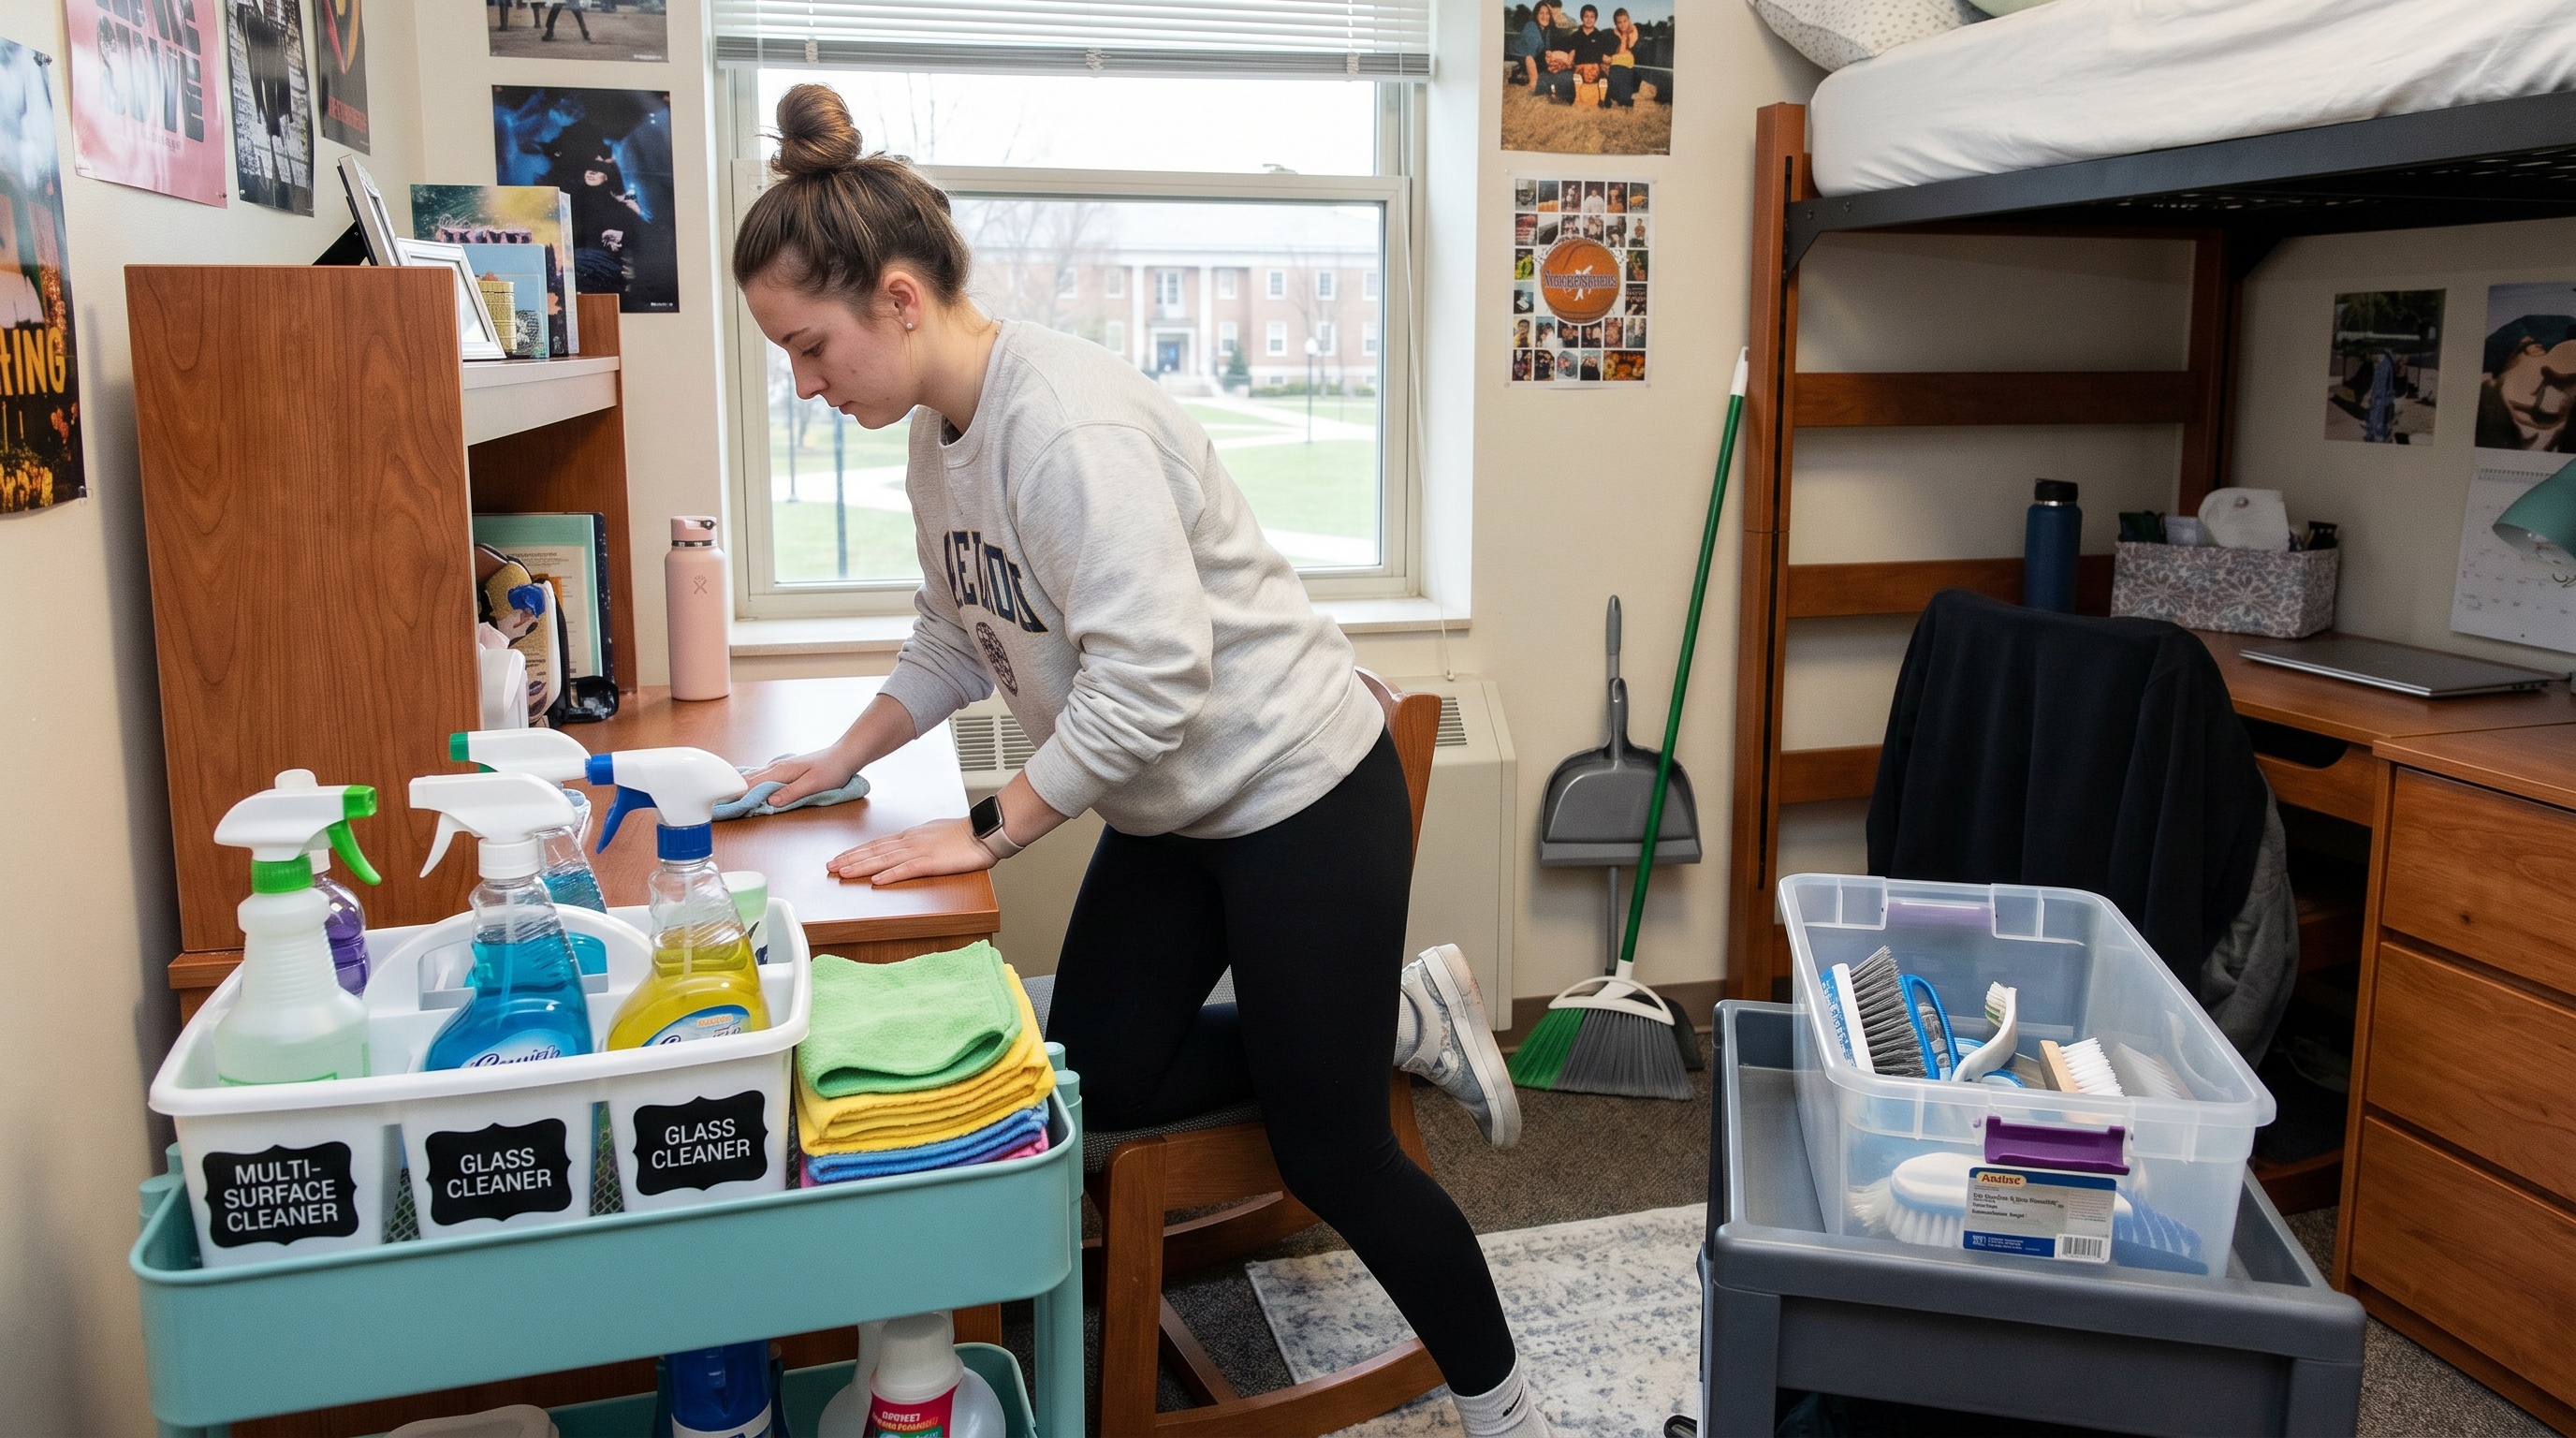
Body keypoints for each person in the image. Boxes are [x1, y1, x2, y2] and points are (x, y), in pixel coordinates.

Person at [730, 84, 1551, 1438]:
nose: (809, 390)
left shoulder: (1065, 431)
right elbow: (958, 626)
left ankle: (1507, 1401)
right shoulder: (944, 442)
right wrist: (841, 753)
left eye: (811, 350)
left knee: (1332, 1147)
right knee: (1089, 1076)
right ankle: (1393, 1023)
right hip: (1174, 812)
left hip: (1293, 789)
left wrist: (986, 829)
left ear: (896, 298)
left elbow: (1154, 683)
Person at [1521, 1, 1576, 103]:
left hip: (1538, 64)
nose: (1545, 16)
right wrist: (1533, 80)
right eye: (1541, 13)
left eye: (1547, 13)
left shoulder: (1546, 30)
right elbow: (1529, 57)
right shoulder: (1531, 26)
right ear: (1536, 14)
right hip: (1525, 65)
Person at [1568, 6, 1619, 103]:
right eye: (1586, 16)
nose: (1589, 19)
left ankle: (1603, 100)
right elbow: (1571, 55)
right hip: (1580, 69)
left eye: (1592, 16)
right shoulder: (1575, 36)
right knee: (1573, 79)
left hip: (1595, 70)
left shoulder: (1601, 36)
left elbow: (1606, 57)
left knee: (1605, 79)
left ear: (1595, 19)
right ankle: (1577, 97)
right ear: (1582, 18)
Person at [1604, 8, 1644, 108]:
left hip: (1630, 67)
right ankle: (1616, 97)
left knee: (1624, 95)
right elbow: (1616, 53)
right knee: (1615, 73)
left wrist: (1626, 36)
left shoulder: (1635, 32)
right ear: (1616, 24)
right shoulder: (1613, 35)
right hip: (1616, 66)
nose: (1623, 25)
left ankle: (1624, 98)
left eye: (1625, 21)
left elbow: (1632, 48)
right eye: (1619, 22)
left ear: (1629, 20)